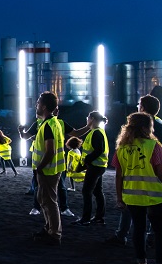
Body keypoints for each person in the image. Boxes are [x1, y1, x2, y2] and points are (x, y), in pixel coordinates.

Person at [113, 112, 162, 264]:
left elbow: (118, 175)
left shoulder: (121, 148)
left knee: (138, 229)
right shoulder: (153, 146)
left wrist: (119, 197)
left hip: (131, 196)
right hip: (154, 196)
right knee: (161, 231)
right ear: (146, 128)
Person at [29, 92, 66, 245]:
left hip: (48, 170)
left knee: (49, 202)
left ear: (44, 106)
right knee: (44, 199)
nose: (36, 105)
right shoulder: (53, 122)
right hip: (52, 169)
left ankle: (54, 234)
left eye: (38, 103)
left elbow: (49, 150)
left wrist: (39, 167)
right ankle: (49, 228)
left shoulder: (48, 125)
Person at [74, 111, 109, 226]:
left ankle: (86, 218)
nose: (87, 119)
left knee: (87, 191)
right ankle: (99, 217)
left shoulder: (95, 133)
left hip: (94, 166)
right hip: (99, 166)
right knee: (97, 191)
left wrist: (86, 161)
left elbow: (99, 150)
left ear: (92, 119)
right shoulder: (99, 132)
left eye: (88, 118)